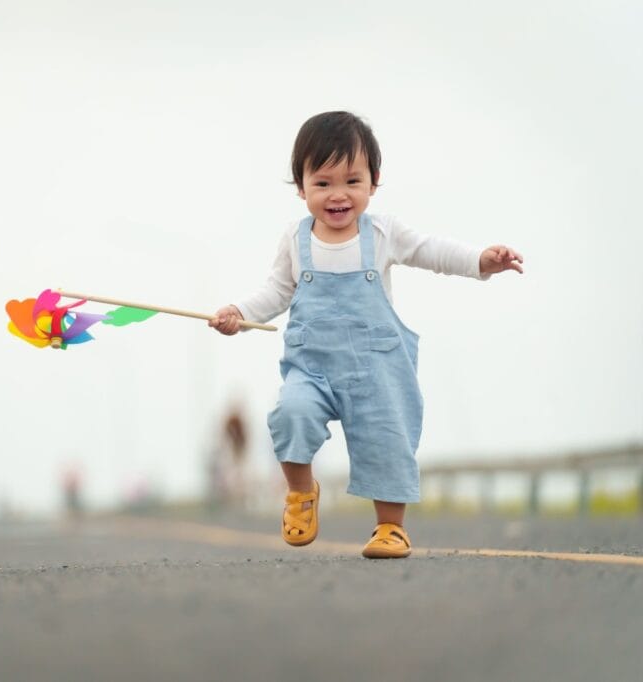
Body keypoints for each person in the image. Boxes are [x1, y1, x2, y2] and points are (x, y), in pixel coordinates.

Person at [209, 112, 523, 558]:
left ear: (373, 183)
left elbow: (431, 250)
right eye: (322, 183)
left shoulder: (382, 233)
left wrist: (480, 261)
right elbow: (277, 290)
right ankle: (300, 493)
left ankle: (390, 528)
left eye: (351, 181)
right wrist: (238, 313)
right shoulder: (295, 240)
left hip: (376, 367)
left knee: (386, 440)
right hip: (311, 367)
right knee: (290, 413)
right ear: (301, 187)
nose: (338, 195)